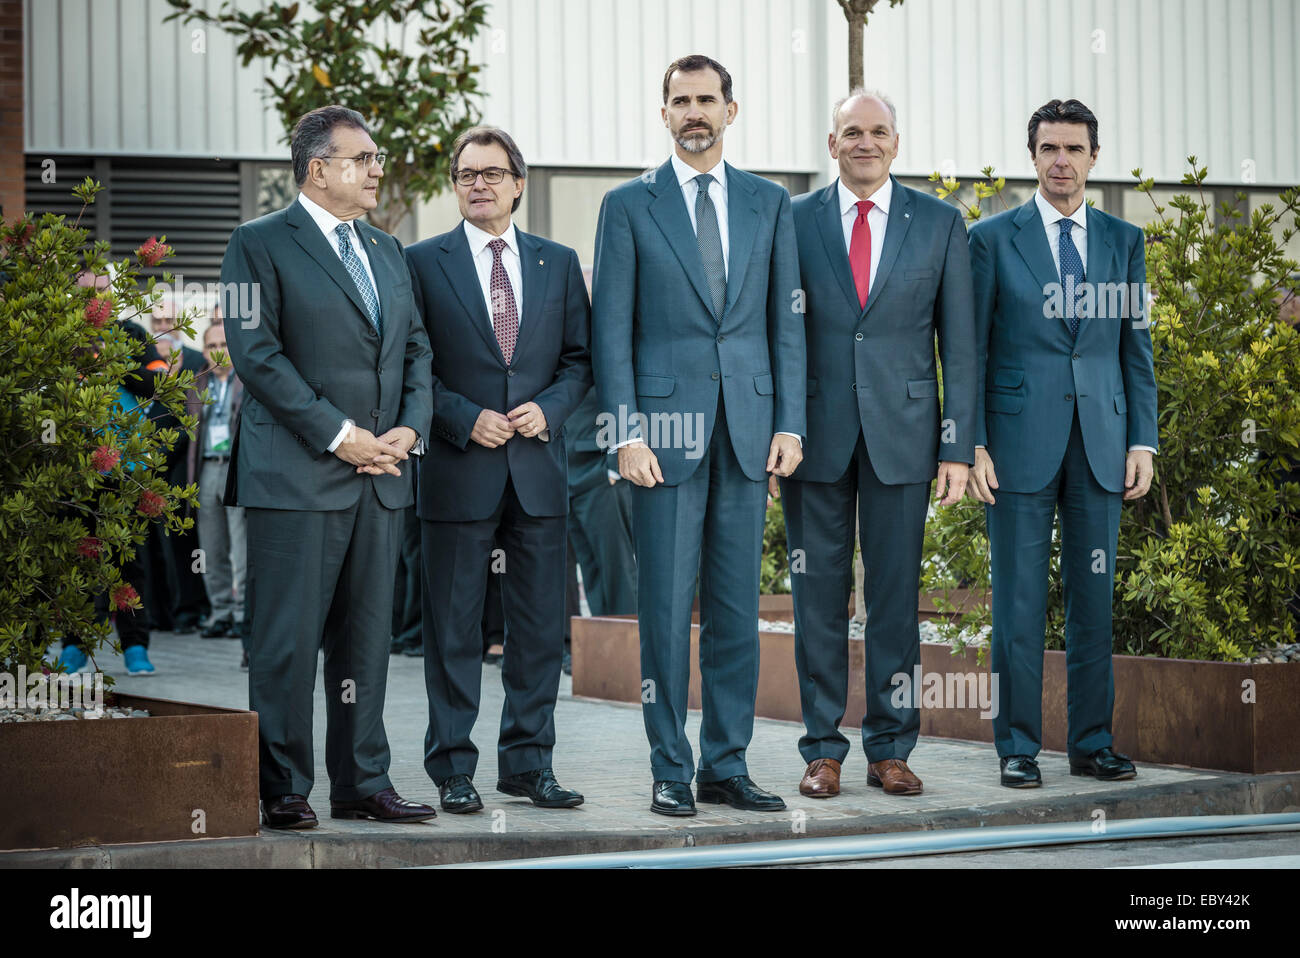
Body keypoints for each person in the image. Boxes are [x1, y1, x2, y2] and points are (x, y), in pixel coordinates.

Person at [592, 55, 805, 816]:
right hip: (660, 440)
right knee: (664, 612)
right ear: (663, 114)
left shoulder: (769, 203)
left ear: (730, 110)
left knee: (735, 612)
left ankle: (725, 764)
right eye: (680, 100)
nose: (693, 112)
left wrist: (789, 422)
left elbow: (787, 321)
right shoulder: (627, 205)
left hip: (748, 434)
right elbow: (610, 331)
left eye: (706, 99)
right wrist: (624, 434)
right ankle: (669, 769)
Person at [221, 104, 436, 828]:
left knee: (367, 643)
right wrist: (339, 434)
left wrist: (410, 428)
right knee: (284, 646)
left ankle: (362, 783)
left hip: (381, 480)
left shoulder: (388, 251)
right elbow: (256, 353)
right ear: (319, 168)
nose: (378, 170)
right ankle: (282, 786)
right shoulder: (257, 243)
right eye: (365, 158)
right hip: (299, 478)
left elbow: (416, 352)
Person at [781, 90, 977, 800]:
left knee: (894, 600)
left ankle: (890, 747)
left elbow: (960, 345)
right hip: (814, 439)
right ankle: (822, 750)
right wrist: (780, 429)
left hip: (905, 438)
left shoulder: (938, 223)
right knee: (818, 599)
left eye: (878, 132)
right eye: (851, 132)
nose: (865, 142)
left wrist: (958, 447)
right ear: (832, 144)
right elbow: (781, 333)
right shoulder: (793, 219)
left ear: (897, 143)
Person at [967, 99, 1157, 787]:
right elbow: (971, 353)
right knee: (1018, 602)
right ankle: (1017, 747)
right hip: (1016, 445)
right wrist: (974, 443)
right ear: (1033, 155)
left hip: (1102, 442)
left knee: (1093, 597)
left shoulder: (1122, 241)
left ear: (1094, 158)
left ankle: (1092, 742)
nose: (1061, 161)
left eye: (1074, 149)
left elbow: (1137, 347)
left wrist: (1144, 440)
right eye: (1049, 148)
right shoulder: (991, 240)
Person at [405, 125, 592, 815]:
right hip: (459, 471)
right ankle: (453, 768)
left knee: (540, 630)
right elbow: (411, 365)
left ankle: (528, 764)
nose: (478, 183)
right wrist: (458, 416)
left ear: (519, 182)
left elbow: (580, 360)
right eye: (465, 174)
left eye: (492, 172)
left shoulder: (558, 262)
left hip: (538, 473)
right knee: (452, 630)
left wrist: (551, 408)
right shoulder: (422, 263)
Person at [185, 322, 248, 654]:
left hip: (236, 470)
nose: (218, 350)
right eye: (211, 345)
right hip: (206, 469)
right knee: (209, 548)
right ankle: (220, 612)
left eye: (224, 342)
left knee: (241, 547)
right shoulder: (197, 383)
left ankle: (243, 614)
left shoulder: (248, 380)